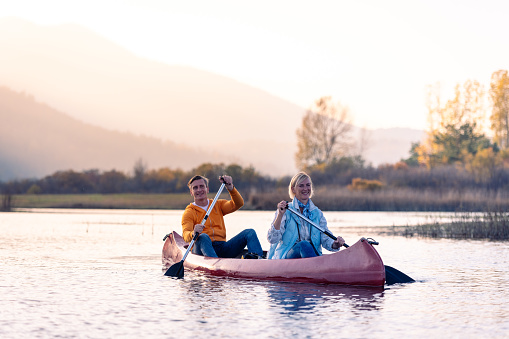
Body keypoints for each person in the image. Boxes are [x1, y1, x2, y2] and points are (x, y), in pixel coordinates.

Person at [182, 174, 264, 259]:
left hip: (222, 247)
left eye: (202, 186)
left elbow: (238, 203)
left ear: (207, 189)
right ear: (191, 192)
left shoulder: (217, 204)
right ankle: (216, 265)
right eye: (195, 188)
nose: (199, 190)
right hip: (201, 249)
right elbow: (185, 235)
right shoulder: (189, 212)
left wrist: (230, 187)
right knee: (203, 236)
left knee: (249, 232)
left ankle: (258, 260)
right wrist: (193, 233)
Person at [267, 172, 345, 259]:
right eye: (301, 186)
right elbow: (272, 239)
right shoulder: (286, 210)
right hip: (287, 257)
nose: (305, 189)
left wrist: (336, 244)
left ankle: (315, 267)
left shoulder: (317, 213)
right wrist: (280, 215)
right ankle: (316, 269)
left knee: (307, 246)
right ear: (293, 189)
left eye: (308, 185)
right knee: (304, 245)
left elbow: (325, 239)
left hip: (311, 256)